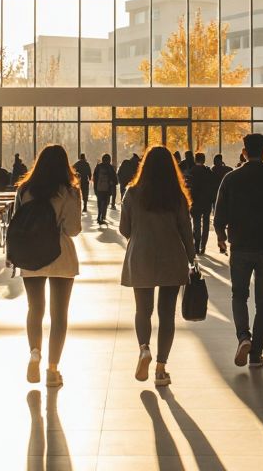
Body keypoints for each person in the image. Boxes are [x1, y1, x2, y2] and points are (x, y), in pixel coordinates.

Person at [213, 133, 263, 369]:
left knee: (239, 295)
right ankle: (256, 354)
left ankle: (243, 337)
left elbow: (219, 214)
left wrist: (221, 238)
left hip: (240, 246)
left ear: (244, 152)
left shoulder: (231, 178)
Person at [120, 146, 195, 387]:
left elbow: (125, 230)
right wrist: (192, 258)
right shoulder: (177, 196)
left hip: (140, 255)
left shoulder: (132, 193)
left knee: (143, 310)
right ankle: (161, 370)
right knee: (166, 315)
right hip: (172, 257)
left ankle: (144, 349)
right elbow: (186, 231)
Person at [15, 145, 84, 388]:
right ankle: (53, 370)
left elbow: (17, 223)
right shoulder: (70, 192)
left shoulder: (25, 189)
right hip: (61, 255)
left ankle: (35, 352)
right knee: (59, 315)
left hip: (31, 256)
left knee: (35, 309)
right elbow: (73, 230)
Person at [183, 152, 218, 254]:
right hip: (206, 202)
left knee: (196, 223)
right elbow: (213, 187)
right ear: (204, 160)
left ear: (195, 160)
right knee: (206, 223)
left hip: (195, 201)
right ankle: (203, 246)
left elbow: (187, 187)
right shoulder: (209, 172)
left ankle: (197, 245)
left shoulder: (191, 172)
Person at [93, 153, 118, 225]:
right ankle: (102, 216)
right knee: (105, 202)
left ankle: (99, 215)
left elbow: (95, 177)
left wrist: (95, 187)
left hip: (98, 188)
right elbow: (114, 178)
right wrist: (114, 183)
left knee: (99, 202)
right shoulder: (110, 167)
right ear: (109, 160)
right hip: (107, 189)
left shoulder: (98, 166)